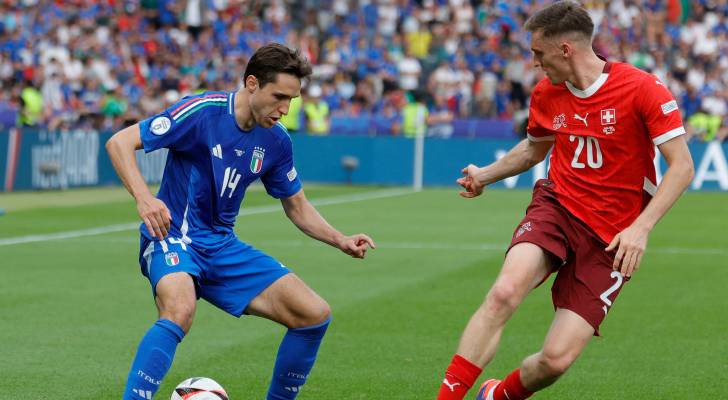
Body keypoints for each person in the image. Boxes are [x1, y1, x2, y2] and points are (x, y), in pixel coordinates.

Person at [435, 2, 695, 400]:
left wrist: (640, 229)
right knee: (504, 292)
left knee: (555, 361)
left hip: (612, 237)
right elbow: (533, 149)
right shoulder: (547, 92)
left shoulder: (642, 88)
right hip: (557, 207)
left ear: (565, 49)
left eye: (538, 53)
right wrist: (485, 174)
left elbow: (682, 167)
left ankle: (497, 395)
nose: (534, 63)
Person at [106, 43, 375, 400]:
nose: (285, 109)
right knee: (180, 309)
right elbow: (119, 143)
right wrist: (144, 198)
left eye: (292, 100)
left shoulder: (277, 141)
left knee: (313, 314)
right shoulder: (203, 112)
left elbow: (297, 206)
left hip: (221, 245)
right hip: (173, 236)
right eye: (279, 96)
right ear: (252, 83)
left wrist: (339, 239)